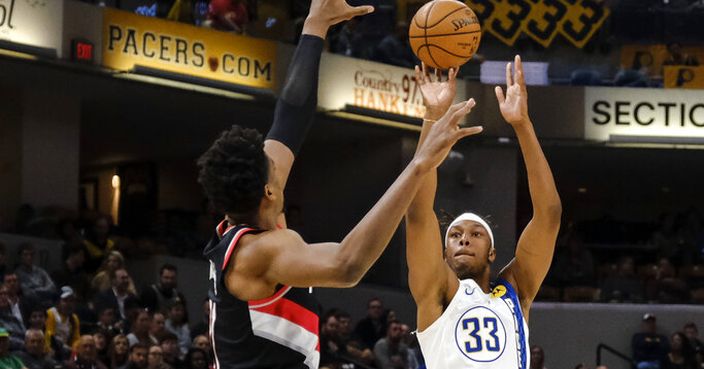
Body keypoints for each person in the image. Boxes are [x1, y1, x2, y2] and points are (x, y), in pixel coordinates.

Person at [197, 0, 480, 368]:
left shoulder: (252, 209)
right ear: (268, 190)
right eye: (272, 166)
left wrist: (315, 26)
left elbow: (291, 117)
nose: (277, 157)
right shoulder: (257, 253)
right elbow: (348, 265)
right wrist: (418, 164)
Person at [405, 56, 562, 369]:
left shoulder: (514, 291)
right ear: (444, 252)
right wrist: (433, 117)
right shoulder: (437, 291)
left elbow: (549, 215)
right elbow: (418, 213)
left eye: (475, 234)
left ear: (492, 253)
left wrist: (523, 125)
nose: (464, 240)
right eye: (455, 235)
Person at [46, 286, 81, 361]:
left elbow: (76, 339)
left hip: (68, 350)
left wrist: (73, 353)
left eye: (71, 301)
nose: (69, 304)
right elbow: (49, 336)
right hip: (52, 349)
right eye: (65, 300)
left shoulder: (74, 318)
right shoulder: (51, 314)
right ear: (58, 302)